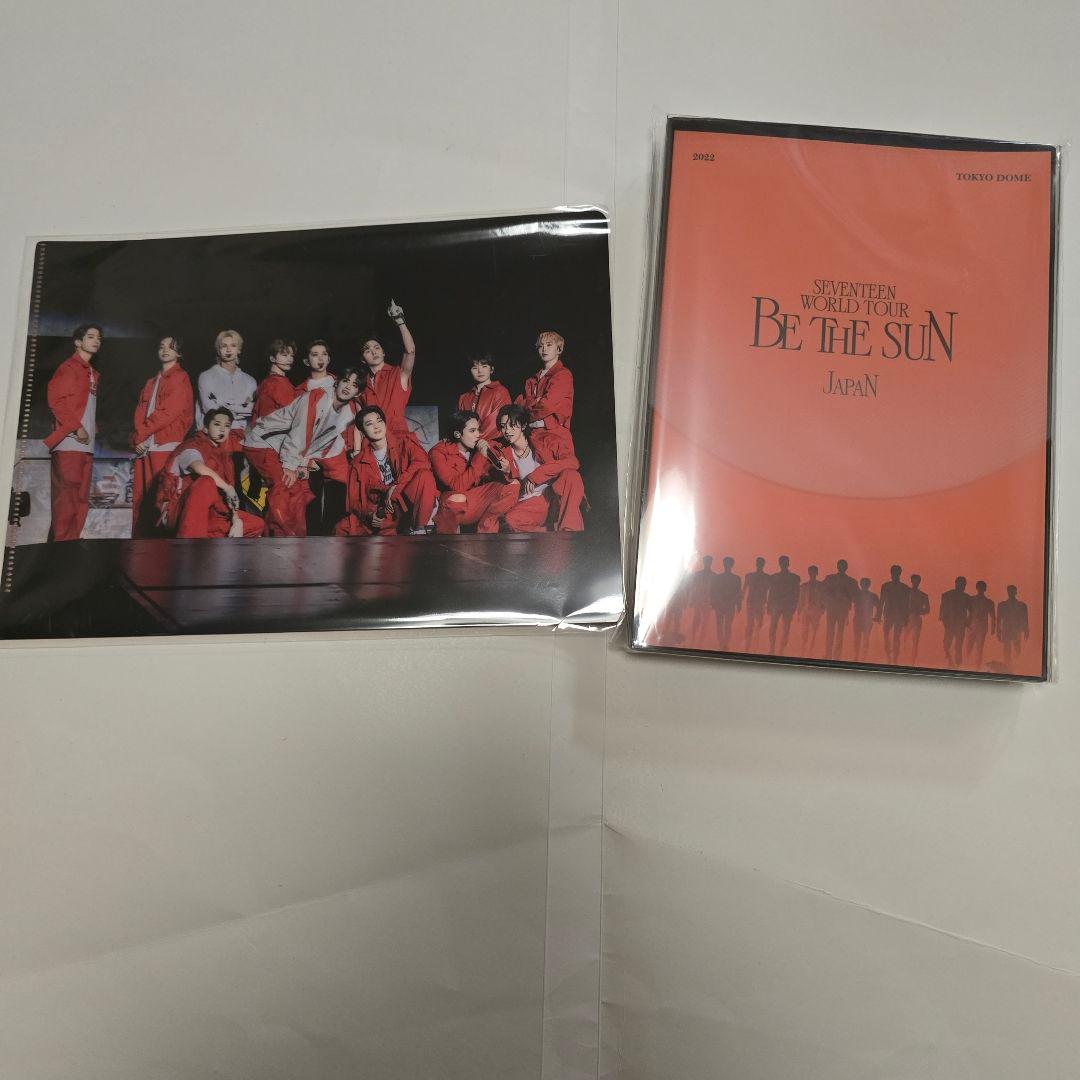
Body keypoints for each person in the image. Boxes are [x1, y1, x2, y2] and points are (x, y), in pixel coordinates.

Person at [244, 367, 362, 535]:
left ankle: (291, 538)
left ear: (358, 392)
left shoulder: (347, 414)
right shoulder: (317, 397)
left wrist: (304, 463)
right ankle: (278, 538)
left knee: (303, 492)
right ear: (336, 382)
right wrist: (290, 465)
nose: (348, 387)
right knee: (284, 484)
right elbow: (300, 432)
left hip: (287, 448)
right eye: (345, 381)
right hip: (264, 441)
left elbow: (321, 442)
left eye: (354, 385)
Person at [158, 408, 266, 538]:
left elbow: (229, 498)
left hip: (210, 513)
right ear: (205, 428)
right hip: (178, 512)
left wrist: (237, 521)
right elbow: (198, 467)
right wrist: (227, 487)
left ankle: (207, 541)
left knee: (256, 524)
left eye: (227, 426)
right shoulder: (192, 445)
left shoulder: (223, 457)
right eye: (217, 424)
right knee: (206, 482)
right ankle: (190, 543)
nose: (222, 429)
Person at [477, 404, 585, 532]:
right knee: (511, 521)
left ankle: (570, 531)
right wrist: (482, 447)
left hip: (553, 496)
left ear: (523, 426)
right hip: (530, 503)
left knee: (571, 475)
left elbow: (572, 462)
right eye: (503, 426)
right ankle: (548, 532)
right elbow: (486, 464)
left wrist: (535, 476)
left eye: (512, 425)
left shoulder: (544, 440)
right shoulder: (500, 449)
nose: (507, 430)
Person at [336, 405, 437, 535]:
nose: (376, 426)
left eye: (379, 421)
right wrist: (369, 515)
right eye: (369, 424)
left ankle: (419, 529)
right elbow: (354, 501)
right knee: (343, 527)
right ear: (362, 432)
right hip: (383, 509)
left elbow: (422, 463)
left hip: (407, 502)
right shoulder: (358, 462)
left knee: (425, 475)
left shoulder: (405, 442)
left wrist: (396, 486)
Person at [130, 335, 195, 536]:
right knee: (140, 500)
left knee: (160, 500)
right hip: (144, 448)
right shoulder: (151, 382)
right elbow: (139, 412)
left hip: (165, 446)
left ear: (179, 353)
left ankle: (160, 547)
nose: (165, 350)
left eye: (171, 347)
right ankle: (138, 546)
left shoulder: (180, 378)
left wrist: (140, 435)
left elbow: (167, 414)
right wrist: (137, 439)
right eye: (162, 346)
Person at [44, 323, 103, 541]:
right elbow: (56, 400)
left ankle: (70, 545)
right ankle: (60, 547)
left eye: (99, 338)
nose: (96, 340)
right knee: (66, 499)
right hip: (69, 442)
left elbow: (84, 406)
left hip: (87, 445)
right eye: (91, 336)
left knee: (80, 500)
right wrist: (77, 427)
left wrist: (92, 426)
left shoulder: (93, 373)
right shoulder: (68, 367)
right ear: (78, 342)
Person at [428, 410, 518, 534]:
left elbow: (502, 478)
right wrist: (480, 456)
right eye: (472, 431)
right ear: (457, 434)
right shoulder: (438, 452)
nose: (478, 435)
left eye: (478, 430)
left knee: (513, 485)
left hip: (476, 500)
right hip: (453, 502)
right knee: (458, 498)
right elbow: (457, 486)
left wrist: (506, 470)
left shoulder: (481, 447)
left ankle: (486, 531)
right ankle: (445, 538)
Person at [359, 300, 417, 441]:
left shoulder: (398, 373)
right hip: (372, 441)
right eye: (367, 350)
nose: (373, 352)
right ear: (363, 359)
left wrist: (400, 321)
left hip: (399, 439)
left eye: (377, 348)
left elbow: (410, 351)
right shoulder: (362, 383)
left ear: (383, 353)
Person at [195, 329, 257, 449]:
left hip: (241, 436)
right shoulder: (206, 376)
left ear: (239, 349)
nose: (228, 350)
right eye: (224, 346)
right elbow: (210, 409)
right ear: (218, 350)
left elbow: (252, 409)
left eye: (233, 345)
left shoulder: (250, 381)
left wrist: (225, 405)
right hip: (212, 437)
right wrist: (240, 409)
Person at [515, 330, 574, 447]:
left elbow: (547, 406)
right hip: (532, 434)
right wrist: (536, 401)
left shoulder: (563, 374)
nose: (544, 349)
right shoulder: (531, 380)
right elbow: (518, 404)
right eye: (541, 346)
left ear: (558, 349)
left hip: (554, 435)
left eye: (549, 345)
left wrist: (527, 413)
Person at [457, 352, 511, 440]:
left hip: (493, 442)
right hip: (468, 443)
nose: (480, 371)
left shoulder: (500, 391)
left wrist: (474, 440)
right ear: (469, 371)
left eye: (484, 366)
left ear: (491, 369)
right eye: (475, 368)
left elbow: (494, 426)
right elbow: (460, 425)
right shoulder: (464, 398)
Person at [823, 558, 860, 661]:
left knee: (840, 632)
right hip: (831, 608)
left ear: (846, 567)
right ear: (837, 566)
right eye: (840, 565)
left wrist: (846, 597)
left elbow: (856, 595)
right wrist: (828, 599)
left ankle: (836, 656)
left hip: (842, 610)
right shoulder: (830, 578)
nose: (842, 567)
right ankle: (828, 654)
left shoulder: (851, 581)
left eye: (843, 566)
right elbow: (823, 591)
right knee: (830, 632)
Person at [766, 555, 800, 656]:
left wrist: (794, 606)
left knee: (785, 628)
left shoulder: (794, 578)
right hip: (777, 605)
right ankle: (772, 648)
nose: (784, 564)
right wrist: (769, 604)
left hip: (786, 606)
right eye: (782, 562)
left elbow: (796, 593)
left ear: (788, 563)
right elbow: (771, 592)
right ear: (780, 564)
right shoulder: (775, 577)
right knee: (774, 627)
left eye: (785, 562)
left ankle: (781, 649)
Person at [878, 564, 911, 665]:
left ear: (899, 573)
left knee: (896, 637)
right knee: (887, 636)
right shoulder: (886, 586)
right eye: (894, 572)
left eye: (896, 572)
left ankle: (894, 658)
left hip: (899, 615)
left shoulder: (905, 588)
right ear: (891, 573)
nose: (895, 574)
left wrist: (906, 618)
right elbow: (881, 601)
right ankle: (889, 656)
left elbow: (907, 605)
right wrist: (878, 615)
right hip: (888, 614)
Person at [939, 576, 971, 668]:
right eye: (961, 584)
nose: (962, 586)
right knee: (946, 644)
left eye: (963, 584)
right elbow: (942, 609)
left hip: (960, 624)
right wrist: (943, 620)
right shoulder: (947, 595)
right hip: (949, 624)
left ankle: (957, 664)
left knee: (958, 645)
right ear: (956, 583)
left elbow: (971, 611)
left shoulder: (967, 597)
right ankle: (950, 660)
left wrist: (967, 622)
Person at [712, 557, 742, 651]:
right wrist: (715, 602)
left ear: (731, 565)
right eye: (726, 563)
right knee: (720, 625)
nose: (727, 565)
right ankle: (721, 643)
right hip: (720, 604)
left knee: (727, 625)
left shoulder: (736, 579)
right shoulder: (718, 578)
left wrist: (738, 604)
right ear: (724, 564)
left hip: (729, 604)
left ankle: (725, 643)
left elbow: (738, 592)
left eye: (728, 563)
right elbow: (714, 591)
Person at [687, 556, 719, 644]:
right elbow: (693, 587)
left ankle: (700, 640)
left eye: (708, 561)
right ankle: (693, 638)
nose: (707, 563)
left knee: (704, 622)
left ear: (710, 563)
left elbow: (715, 590)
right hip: (699, 599)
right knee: (696, 619)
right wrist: (691, 600)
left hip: (707, 600)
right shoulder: (698, 574)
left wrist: (714, 602)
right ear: (704, 562)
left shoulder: (714, 576)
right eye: (706, 561)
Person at [997, 585, 1029, 670]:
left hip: (1016, 630)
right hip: (1006, 630)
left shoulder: (1022, 605)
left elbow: (1025, 619)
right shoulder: (1002, 605)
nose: (1011, 593)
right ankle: (1008, 666)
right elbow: (998, 619)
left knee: (1017, 649)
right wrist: (998, 632)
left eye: (1012, 591)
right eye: (1009, 591)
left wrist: (1026, 630)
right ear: (1007, 592)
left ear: (1015, 592)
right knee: (1007, 650)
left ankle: (1016, 666)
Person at [966, 580, 996, 669]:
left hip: (982, 628)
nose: (981, 589)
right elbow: (968, 612)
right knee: (968, 647)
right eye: (979, 587)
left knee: (979, 648)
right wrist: (966, 623)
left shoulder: (989, 602)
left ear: (985, 589)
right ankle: (966, 665)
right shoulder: (971, 599)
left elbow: (993, 616)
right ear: (977, 588)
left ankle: (977, 667)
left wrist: (993, 628)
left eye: (982, 587)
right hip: (971, 627)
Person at [742, 557, 769, 651]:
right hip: (753, 603)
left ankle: (753, 645)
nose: (760, 565)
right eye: (759, 563)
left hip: (759, 603)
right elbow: (744, 590)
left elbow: (744, 590)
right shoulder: (750, 576)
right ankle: (748, 646)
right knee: (751, 624)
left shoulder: (766, 578)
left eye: (761, 563)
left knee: (757, 625)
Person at [798, 564, 826, 655]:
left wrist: (822, 609)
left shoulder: (821, 586)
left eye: (814, 572)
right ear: (808, 573)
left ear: (817, 573)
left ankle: (810, 650)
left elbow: (823, 598)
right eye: (811, 572)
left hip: (816, 611)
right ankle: (803, 648)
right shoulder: (804, 586)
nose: (812, 574)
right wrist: (799, 611)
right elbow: (801, 599)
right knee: (805, 631)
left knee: (814, 631)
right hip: (806, 610)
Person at [852, 577, 881, 663]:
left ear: (868, 585)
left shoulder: (872, 596)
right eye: (864, 584)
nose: (865, 585)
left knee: (865, 638)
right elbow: (849, 602)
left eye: (866, 584)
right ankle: (857, 656)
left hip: (866, 620)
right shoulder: (856, 595)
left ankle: (862, 656)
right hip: (858, 619)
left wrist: (877, 617)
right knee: (858, 639)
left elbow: (879, 607)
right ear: (861, 584)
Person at [905, 573, 930, 664]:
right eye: (914, 581)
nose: (915, 583)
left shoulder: (923, 595)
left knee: (915, 640)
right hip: (907, 618)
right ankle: (905, 656)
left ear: (919, 582)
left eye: (917, 581)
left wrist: (919, 611)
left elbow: (927, 609)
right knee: (904, 637)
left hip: (917, 618)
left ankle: (913, 660)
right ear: (911, 581)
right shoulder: (906, 593)